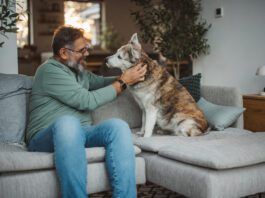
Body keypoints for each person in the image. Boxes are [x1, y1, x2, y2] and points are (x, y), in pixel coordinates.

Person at [26, 25, 147, 198]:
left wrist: (129, 77)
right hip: (45, 136)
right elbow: (86, 101)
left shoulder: (78, 70)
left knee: (118, 127)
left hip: (81, 132)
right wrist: (123, 83)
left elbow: (99, 81)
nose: (87, 54)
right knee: (68, 122)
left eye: (87, 48)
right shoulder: (48, 71)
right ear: (64, 53)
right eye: (82, 50)